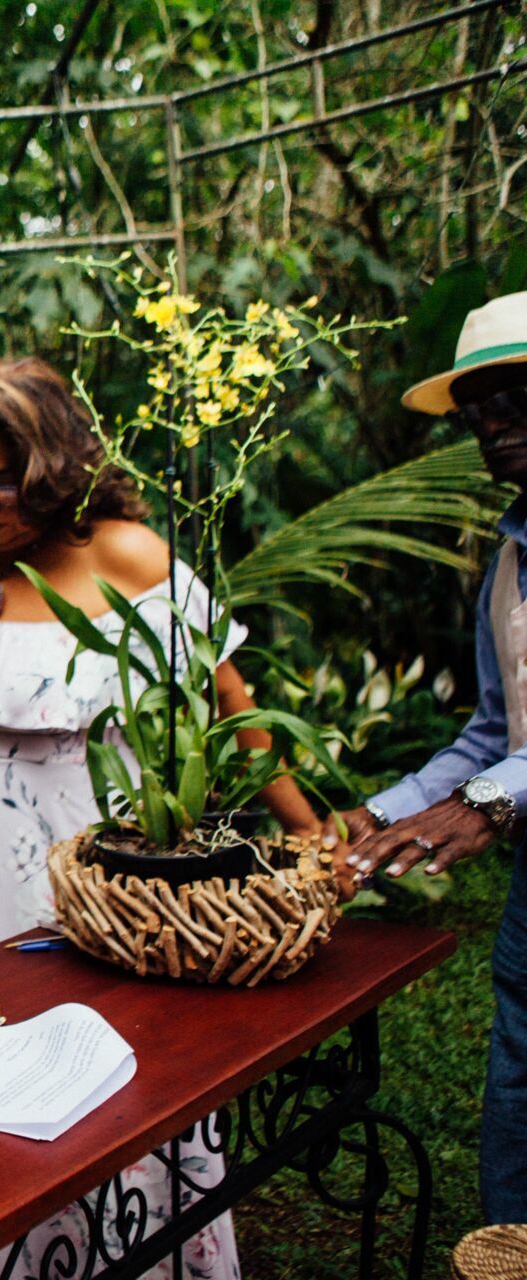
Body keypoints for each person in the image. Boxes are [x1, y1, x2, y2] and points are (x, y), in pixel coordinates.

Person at [0, 356, 323, 1279]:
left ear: (55, 468)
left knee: (81, 1095)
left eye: (4, 480)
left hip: (76, 890)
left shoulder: (128, 558)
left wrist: (309, 825)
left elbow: (232, 709)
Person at [331, 291, 527, 1225]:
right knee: (520, 1080)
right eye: (479, 409)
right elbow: (495, 734)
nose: (495, 427)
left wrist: (489, 803)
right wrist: (384, 810)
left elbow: (499, 775)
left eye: (516, 399)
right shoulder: (510, 558)